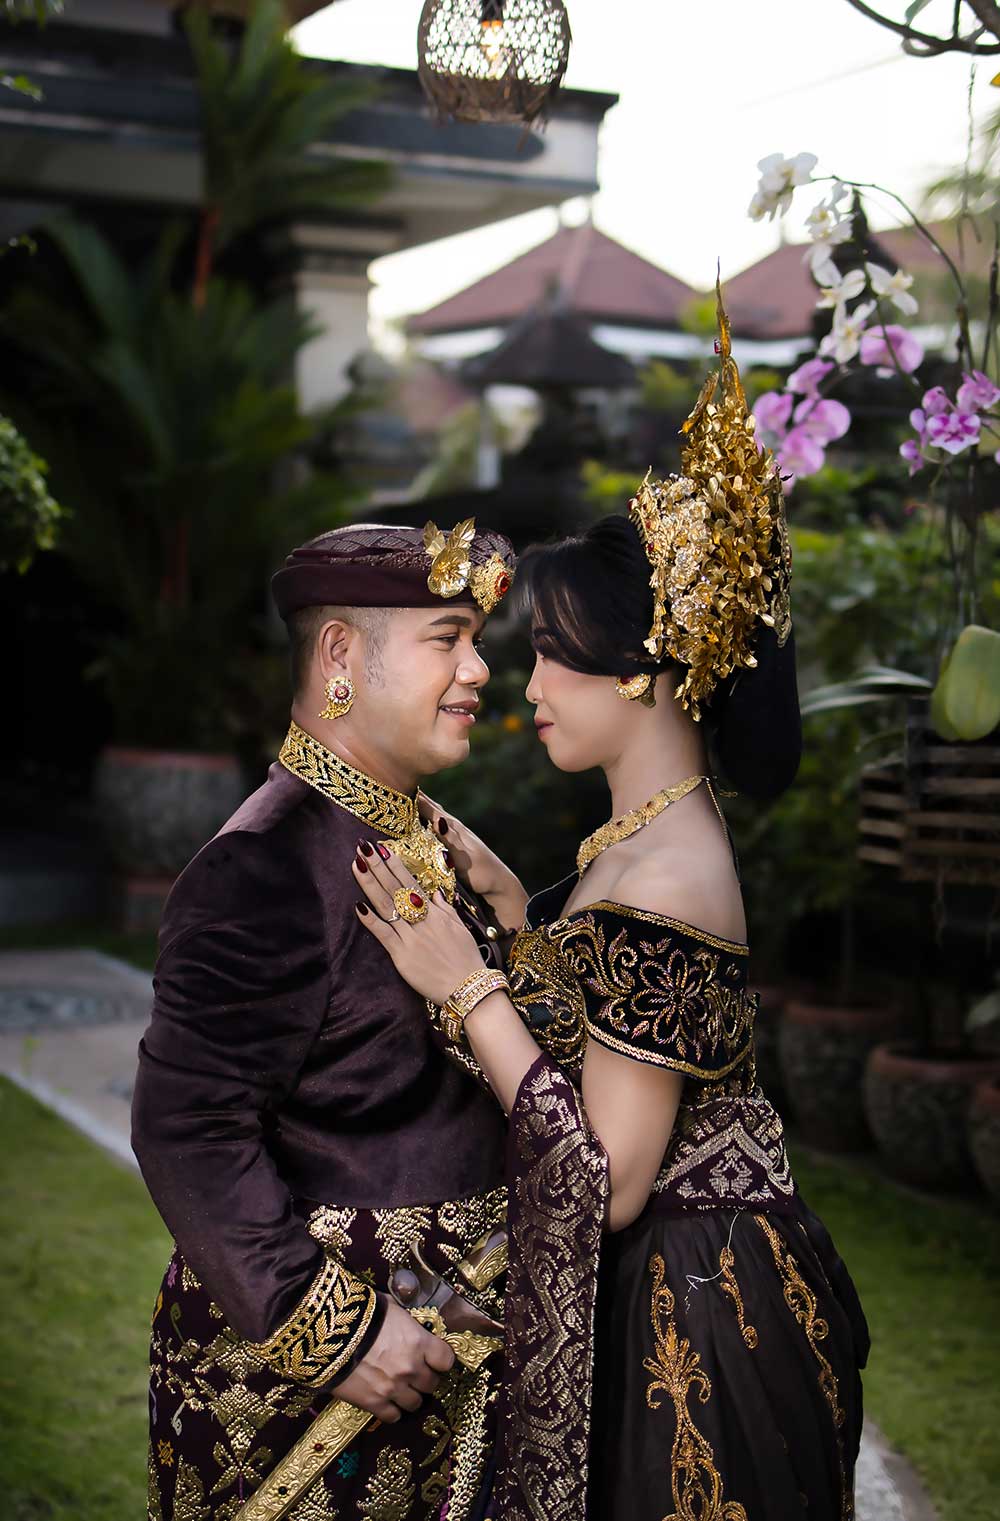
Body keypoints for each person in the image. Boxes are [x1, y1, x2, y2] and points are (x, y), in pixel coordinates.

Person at [348, 295, 870, 1521]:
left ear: (639, 671)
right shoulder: (645, 835)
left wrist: (468, 986)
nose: (521, 682)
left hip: (688, 1319)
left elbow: (615, 1178)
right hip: (673, 1275)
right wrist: (512, 910)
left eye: (550, 652)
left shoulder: (669, 872)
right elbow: (618, 1015)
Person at [132, 520, 520, 1521]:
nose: (479, 670)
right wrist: (339, 1334)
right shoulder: (263, 861)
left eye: (476, 640)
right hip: (307, 1409)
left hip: (446, 1378)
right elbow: (187, 1126)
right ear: (341, 654)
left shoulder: (424, 840)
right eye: (447, 638)